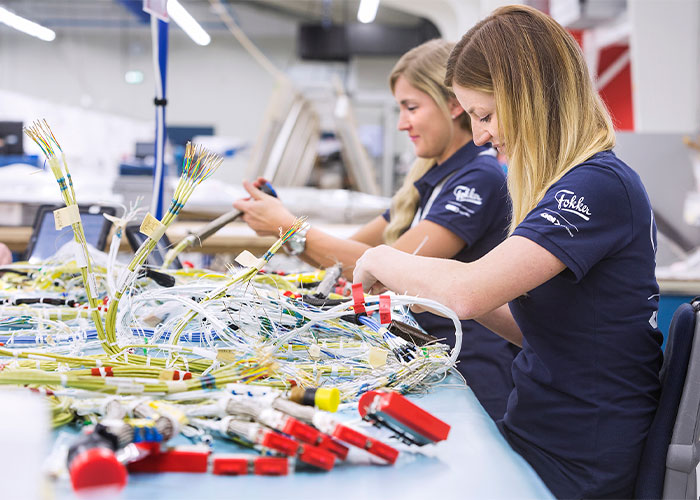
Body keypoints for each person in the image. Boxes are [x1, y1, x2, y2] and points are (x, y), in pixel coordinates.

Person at [352, 6, 662, 499]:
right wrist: (425, 289)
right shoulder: (568, 184)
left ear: (530, 98)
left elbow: (470, 295)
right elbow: (543, 329)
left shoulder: (598, 186)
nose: (480, 136)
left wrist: (378, 260)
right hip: (542, 432)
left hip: (580, 457)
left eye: (485, 115)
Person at [234, 39, 518, 420]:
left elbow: (391, 265)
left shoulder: (477, 178)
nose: (402, 123)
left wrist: (288, 228)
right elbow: (348, 255)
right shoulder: (430, 180)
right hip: (427, 354)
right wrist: (284, 225)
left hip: (469, 369)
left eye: (411, 107)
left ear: (454, 105)